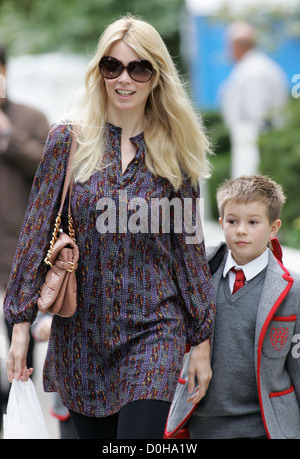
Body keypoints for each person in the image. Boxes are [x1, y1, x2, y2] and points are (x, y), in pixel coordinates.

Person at [3, 15, 216, 439]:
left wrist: (202, 342)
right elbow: (35, 231)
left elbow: (189, 249)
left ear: (156, 76)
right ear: (98, 71)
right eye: (112, 66)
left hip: (155, 330)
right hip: (82, 334)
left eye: (138, 68)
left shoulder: (174, 152)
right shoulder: (68, 139)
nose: (124, 78)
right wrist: (20, 325)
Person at [165, 175, 300, 439]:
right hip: (202, 426)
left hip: (265, 428)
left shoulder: (292, 290)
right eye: (232, 221)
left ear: (274, 228)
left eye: (253, 222)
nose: (240, 230)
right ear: (221, 223)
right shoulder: (199, 275)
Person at [0, 45, 50, 430]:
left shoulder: (30, 117)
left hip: (16, 252)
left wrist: (8, 135)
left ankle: (21, 407)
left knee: (18, 337)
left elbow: (50, 172)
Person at [219, 22, 288, 179]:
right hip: (250, 139)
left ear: (239, 45)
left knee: (251, 190)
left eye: (230, 45)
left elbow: (257, 113)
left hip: (254, 141)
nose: (229, 49)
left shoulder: (255, 70)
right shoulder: (251, 67)